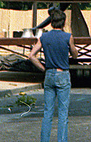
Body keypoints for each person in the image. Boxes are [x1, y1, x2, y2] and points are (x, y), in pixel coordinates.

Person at [28, 8, 78, 142]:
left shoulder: (43, 37)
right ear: (64, 22)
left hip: (49, 75)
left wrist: (43, 69)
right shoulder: (68, 37)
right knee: (63, 113)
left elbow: (31, 56)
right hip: (63, 74)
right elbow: (75, 54)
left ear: (51, 23)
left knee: (47, 112)